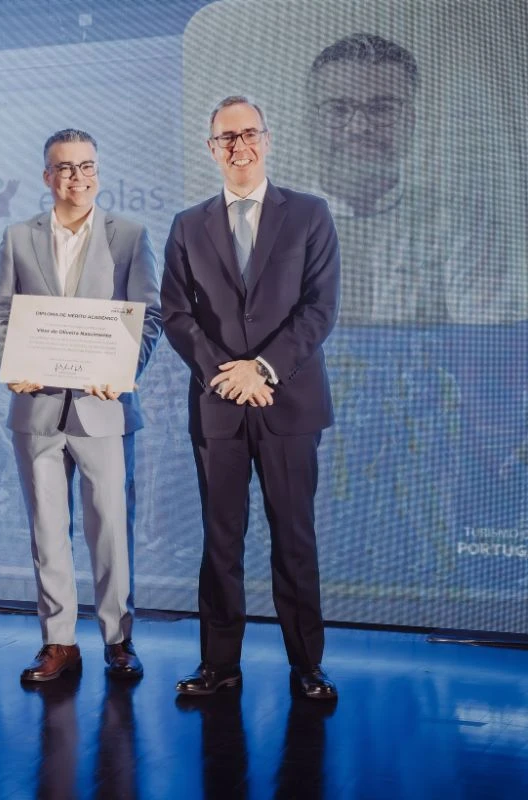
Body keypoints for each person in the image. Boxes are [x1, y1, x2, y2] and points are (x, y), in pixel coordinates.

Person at [162, 96, 340, 699]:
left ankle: (307, 665)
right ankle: (219, 665)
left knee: (294, 538)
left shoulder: (311, 214)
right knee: (220, 540)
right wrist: (227, 373)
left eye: (248, 134)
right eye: (226, 138)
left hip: (287, 404)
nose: (239, 146)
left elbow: (320, 309)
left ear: (268, 138)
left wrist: (261, 369)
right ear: (212, 149)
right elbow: (177, 314)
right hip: (218, 407)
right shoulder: (188, 225)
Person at [0, 128, 162, 682]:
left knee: (111, 528)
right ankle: (58, 642)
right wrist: (8, 364)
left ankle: (118, 638)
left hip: (103, 408)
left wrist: (124, 371)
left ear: (98, 171)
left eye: (86, 166)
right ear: (47, 177)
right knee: (46, 529)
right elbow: (0, 316)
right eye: (64, 168)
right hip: (36, 408)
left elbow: (149, 317)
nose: (76, 177)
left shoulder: (130, 236)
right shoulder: (18, 237)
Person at [304, 33, 505, 325]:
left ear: (410, 122)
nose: (359, 127)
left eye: (382, 108)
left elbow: (487, 344)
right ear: (311, 124)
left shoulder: (464, 224)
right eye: (337, 109)